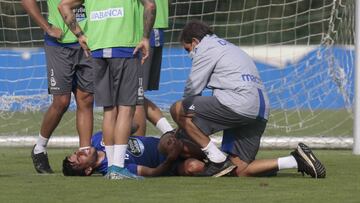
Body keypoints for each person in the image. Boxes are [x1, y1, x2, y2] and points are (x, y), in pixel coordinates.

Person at [170, 20, 326, 178]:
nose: (188, 54)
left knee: (177, 109)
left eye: (187, 49)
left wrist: (181, 126)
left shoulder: (206, 48)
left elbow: (192, 89)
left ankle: (217, 159)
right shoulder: (230, 47)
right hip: (260, 110)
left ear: (195, 42)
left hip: (238, 104)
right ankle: (295, 161)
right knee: (239, 170)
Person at [58, 0, 156, 180]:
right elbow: (150, 5)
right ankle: (118, 168)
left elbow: (63, 6)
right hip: (125, 48)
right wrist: (145, 38)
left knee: (109, 110)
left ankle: (112, 168)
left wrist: (80, 36)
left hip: (97, 50)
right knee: (126, 109)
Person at [22, 0, 95, 174]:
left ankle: (85, 154)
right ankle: (39, 148)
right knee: (61, 101)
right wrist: (47, 27)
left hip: (89, 41)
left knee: (86, 99)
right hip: (59, 44)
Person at [62, 130, 206, 177]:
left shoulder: (98, 138)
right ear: (88, 170)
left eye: (77, 152)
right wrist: (170, 159)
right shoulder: (115, 169)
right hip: (170, 164)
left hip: (165, 143)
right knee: (194, 167)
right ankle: (219, 165)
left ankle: (214, 157)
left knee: (172, 144)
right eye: (79, 158)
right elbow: (153, 172)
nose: (81, 152)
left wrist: (121, 129)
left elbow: (134, 126)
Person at [133, 0, 171, 136]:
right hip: (150, 26)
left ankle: (138, 149)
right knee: (133, 94)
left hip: (143, 29)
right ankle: (170, 133)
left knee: (135, 96)